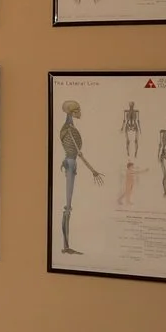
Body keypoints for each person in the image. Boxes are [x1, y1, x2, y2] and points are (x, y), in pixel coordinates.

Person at [56, 99, 101, 254]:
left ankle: (66, 245)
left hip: (71, 162)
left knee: (69, 204)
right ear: (70, 112)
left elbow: (77, 151)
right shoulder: (69, 130)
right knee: (68, 205)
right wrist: (93, 170)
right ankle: (66, 246)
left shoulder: (68, 128)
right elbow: (78, 153)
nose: (79, 113)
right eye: (76, 111)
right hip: (70, 163)